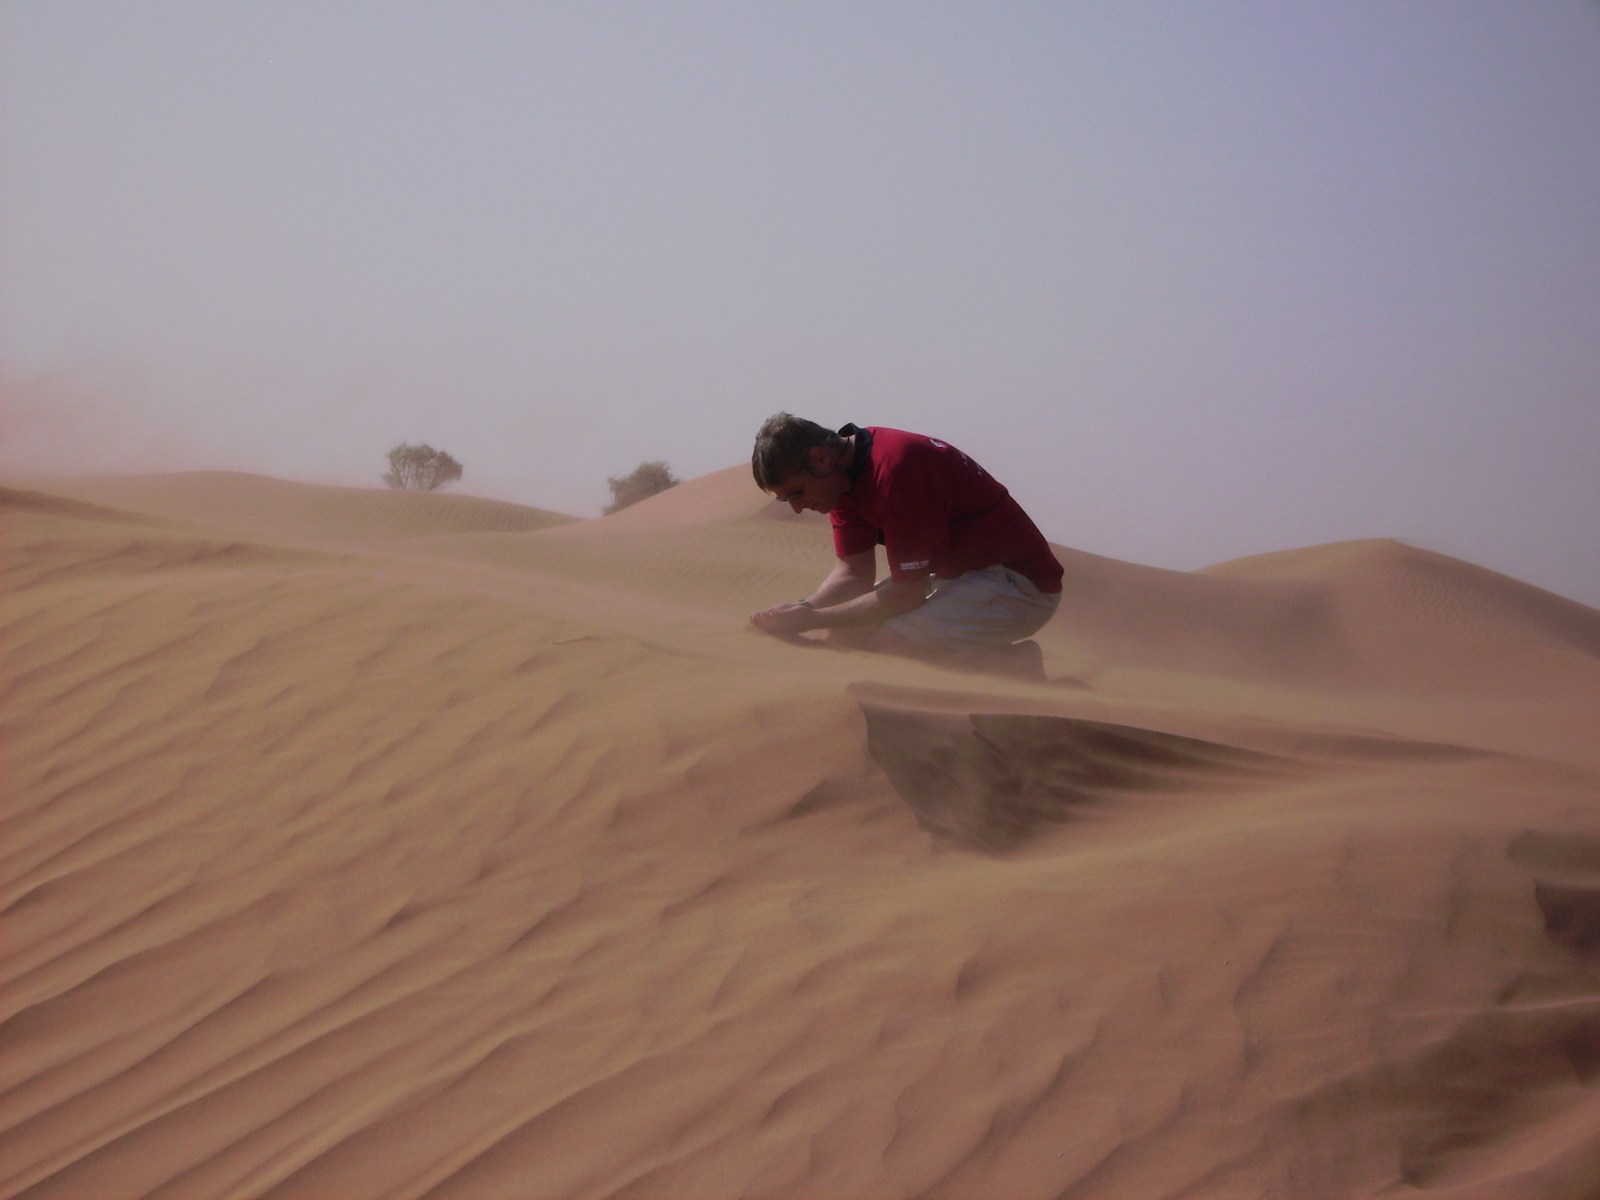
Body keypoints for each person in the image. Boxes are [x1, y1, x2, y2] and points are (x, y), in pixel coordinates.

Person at [748, 413, 1063, 675]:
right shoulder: (841, 481)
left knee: (888, 647)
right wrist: (803, 610)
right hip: (958, 577)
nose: (797, 508)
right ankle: (995, 660)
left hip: (1021, 586)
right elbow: (853, 573)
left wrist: (811, 620)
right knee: (845, 634)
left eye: (796, 493)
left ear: (820, 458)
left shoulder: (896, 470)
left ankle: (1014, 668)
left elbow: (906, 594)